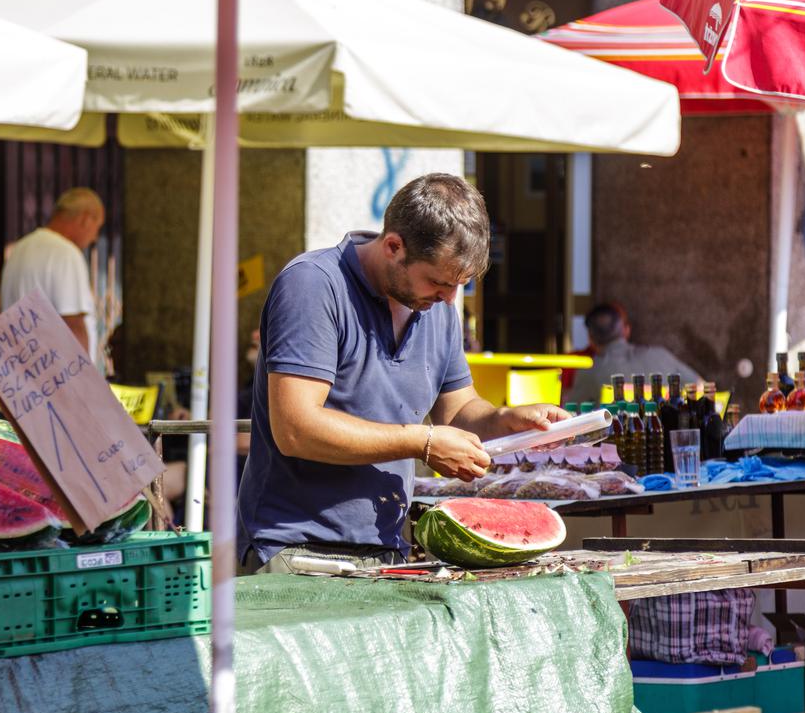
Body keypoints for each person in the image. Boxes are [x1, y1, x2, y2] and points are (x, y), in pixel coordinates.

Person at [237, 173, 568, 574]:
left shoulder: (439, 307)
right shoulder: (313, 285)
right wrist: (422, 442)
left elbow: (458, 410)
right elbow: (295, 428)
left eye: (459, 286)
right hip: (295, 549)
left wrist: (505, 420)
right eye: (438, 282)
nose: (449, 298)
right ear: (393, 246)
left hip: (387, 551)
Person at [1, 187, 105, 359]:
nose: (95, 238)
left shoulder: (19, 249)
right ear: (86, 219)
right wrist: (82, 382)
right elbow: (73, 325)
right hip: (55, 377)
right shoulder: (66, 253)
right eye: (97, 227)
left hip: (21, 371)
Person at [564, 302, 700, 405]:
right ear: (626, 330)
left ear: (590, 338)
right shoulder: (661, 356)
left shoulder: (590, 372)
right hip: (663, 436)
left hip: (619, 440)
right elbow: (701, 388)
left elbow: (570, 415)